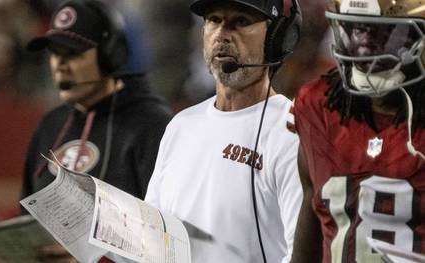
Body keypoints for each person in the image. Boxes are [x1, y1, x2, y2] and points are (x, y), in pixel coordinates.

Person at [145, 0, 303, 262]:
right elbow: (151, 235)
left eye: (241, 21)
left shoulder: (292, 132)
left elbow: (301, 252)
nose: (222, 34)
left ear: (278, 38)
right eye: (214, 20)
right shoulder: (181, 126)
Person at [21, 0, 171, 261]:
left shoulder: (153, 126)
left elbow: (169, 240)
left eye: (73, 53)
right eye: (55, 53)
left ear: (110, 56)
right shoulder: (50, 125)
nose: (60, 65)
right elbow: (26, 218)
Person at [290, 0, 425, 262]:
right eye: (356, 30)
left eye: (384, 34)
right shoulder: (318, 107)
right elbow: (312, 213)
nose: (364, 47)